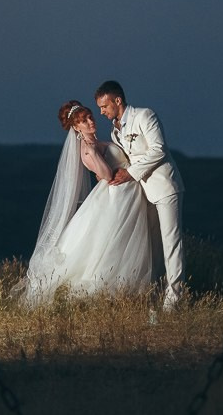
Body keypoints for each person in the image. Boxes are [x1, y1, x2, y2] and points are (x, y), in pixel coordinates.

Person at [16, 100, 154, 307]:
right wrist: (97, 158)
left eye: (90, 117)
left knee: (121, 241)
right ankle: (114, 292)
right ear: (75, 127)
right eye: (84, 121)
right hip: (117, 194)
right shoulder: (87, 149)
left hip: (127, 192)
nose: (91, 122)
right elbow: (107, 175)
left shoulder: (96, 143)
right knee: (115, 243)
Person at [94, 80, 186, 310]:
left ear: (118, 100)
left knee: (171, 243)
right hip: (142, 192)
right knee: (152, 245)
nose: (102, 111)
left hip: (164, 187)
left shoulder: (145, 116)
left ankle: (174, 300)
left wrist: (130, 174)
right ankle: (154, 293)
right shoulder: (115, 131)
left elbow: (159, 150)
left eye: (104, 106)